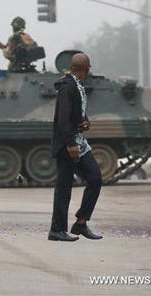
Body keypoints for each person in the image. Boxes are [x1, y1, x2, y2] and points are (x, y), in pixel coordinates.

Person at [48, 53, 103, 242]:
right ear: (87, 69)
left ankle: (80, 223)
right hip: (68, 143)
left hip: (80, 143)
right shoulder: (67, 87)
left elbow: (75, 113)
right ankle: (56, 230)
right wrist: (70, 143)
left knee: (95, 179)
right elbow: (62, 117)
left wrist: (84, 121)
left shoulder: (77, 86)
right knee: (64, 187)